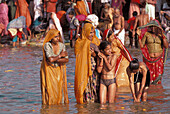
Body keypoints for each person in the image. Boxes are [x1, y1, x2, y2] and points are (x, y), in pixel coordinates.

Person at [40, 29, 69, 105]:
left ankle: (58, 108)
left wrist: (55, 59)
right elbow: (50, 59)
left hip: (59, 69)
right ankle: (50, 108)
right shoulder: (47, 45)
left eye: (58, 36)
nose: (57, 38)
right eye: (55, 37)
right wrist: (60, 56)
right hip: (49, 70)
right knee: (50, 90)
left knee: (59, 90)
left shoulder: (62, 45)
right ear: (51, 37)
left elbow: (66, 59)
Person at [74, 23, 100, 104]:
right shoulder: (79, 42)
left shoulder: (96, 42)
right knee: (86, 87)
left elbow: (100, 55)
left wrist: (94, 54)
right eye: (90, 32)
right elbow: (78, 55)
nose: (91, 35)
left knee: (94, 87)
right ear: (85, 32)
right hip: (83, 70)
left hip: (94, 69)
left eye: (93, 32)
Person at [138, 20, 168, 84]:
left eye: (155, 27)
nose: (153, 28)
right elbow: (141, 45)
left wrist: (163, 36)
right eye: (152, 27)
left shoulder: (161, 35)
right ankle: (150, 91)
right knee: (149, 79)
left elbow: (166, 46)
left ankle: (158, 92)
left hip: (159, 60)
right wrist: (139, 37)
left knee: (158, 79)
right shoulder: (147, 34)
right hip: (149, 60)